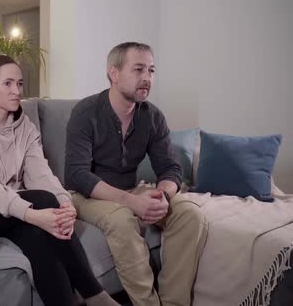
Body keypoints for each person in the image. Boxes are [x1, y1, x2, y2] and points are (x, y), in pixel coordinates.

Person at [0, 55, 119, 306]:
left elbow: (41, 174)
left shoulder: (25, 126)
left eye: (20, 84)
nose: (17, 91)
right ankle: (95, 295)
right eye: (8, 84)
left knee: (39, 239)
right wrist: (35, 214)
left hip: (21, 210)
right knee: (44, 203)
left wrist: (65, 203)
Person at [65, 42, 208, 306]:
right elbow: (77, 175)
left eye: (151, 71)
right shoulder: (85, 113)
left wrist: (163, 195)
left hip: (132, 189)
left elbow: (170, 168)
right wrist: (132, 202)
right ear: (114, 73)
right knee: (121, 220)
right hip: (88, 194)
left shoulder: (153, 117)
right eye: (139, 69)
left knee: (190, 215)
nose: (147, 78)